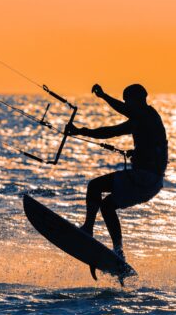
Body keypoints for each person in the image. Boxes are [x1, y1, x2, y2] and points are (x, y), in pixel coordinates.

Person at [67, 83, 168, 278]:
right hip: (152, 183)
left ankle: (88, 229)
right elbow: (148, 142)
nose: (125, 105)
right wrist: (104, 96)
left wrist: (81, 131)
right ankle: (118, 251)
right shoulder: (148, 116)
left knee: (94, 186)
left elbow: (109, 131)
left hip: (144, 178)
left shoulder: (143, 117)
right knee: (107, 206)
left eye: (127, 101)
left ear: (137, 100)